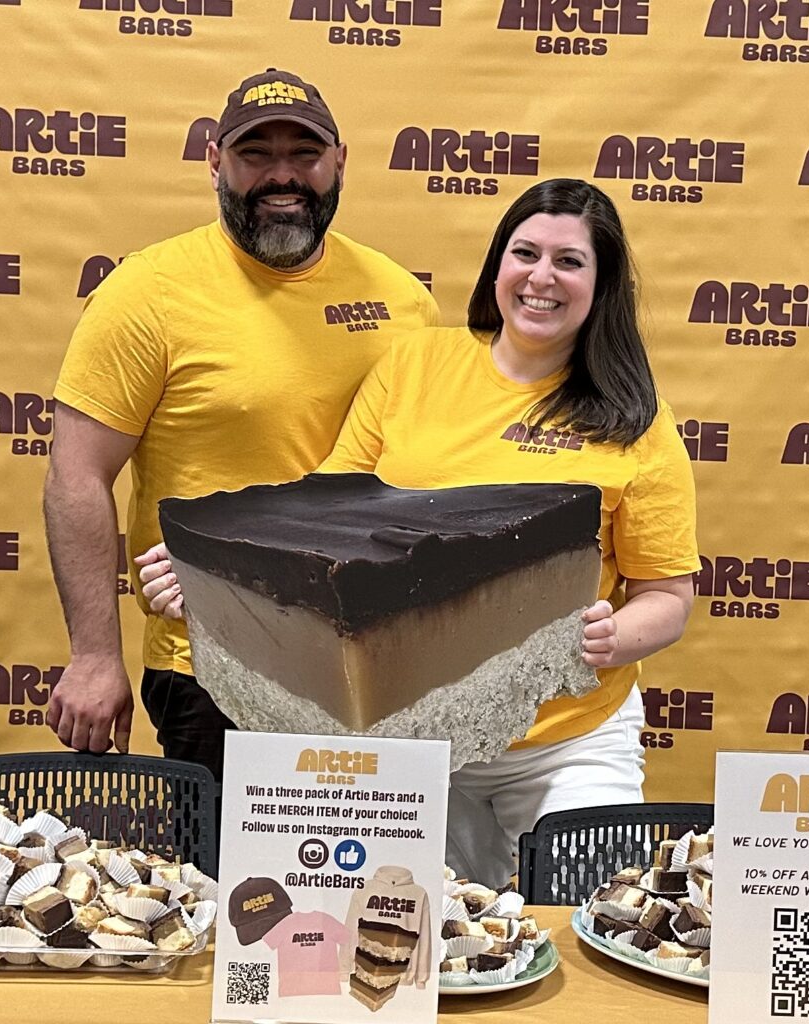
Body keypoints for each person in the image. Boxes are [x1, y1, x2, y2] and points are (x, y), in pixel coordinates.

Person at [142, 179, 699, 886]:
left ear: (603, 284)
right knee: (409, 945)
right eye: (525, 252)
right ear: (498, 264)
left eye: (569, 262)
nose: (541, 277)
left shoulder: (635, 422)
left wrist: (613, 638)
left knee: (592, 917)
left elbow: (667, 594)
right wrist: (204, 575)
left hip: (570, 745)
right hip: (410, 748)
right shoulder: (416, 365)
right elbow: (321, 525)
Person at [43, 68, 439, 780]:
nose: (281, 176)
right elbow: (77, 473)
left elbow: (424, 475)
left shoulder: (402, 301)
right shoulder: (148, 293)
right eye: (257, 154)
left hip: (375, 667)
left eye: (304, 154)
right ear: (214, 162)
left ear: (340, 162)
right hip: (214, 664)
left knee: (372, 888)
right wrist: (95, 654)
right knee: (236, 891)